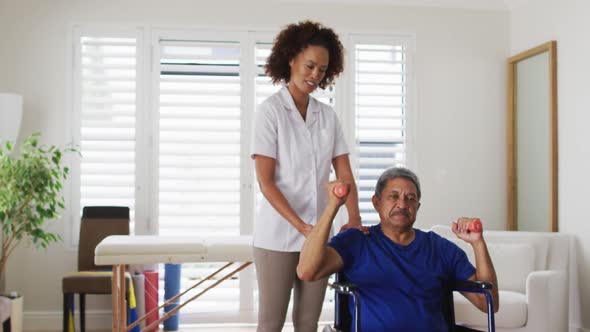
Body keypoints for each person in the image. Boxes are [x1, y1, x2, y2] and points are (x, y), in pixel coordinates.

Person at [250, 21, 363, 332]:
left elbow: (344, 173)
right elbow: (266, 182)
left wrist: (353, 219)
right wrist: (301, 226)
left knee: (308, 322)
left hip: (319, 233)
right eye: (310, 65)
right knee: (271, 323)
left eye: (322, 69)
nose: (315, 75)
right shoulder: (270, 112)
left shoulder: (327, 116)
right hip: (277, 236)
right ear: (291, 60)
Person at [297, 167, 500, 331]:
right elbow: (307, 270)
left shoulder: (439, 248)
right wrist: (333, 206)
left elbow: (489, 302)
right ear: (376, 203)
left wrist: (478, 243)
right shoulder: (356, 240)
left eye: (410, 198)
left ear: (417, 207)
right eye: (393, 196)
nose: (402, 204)